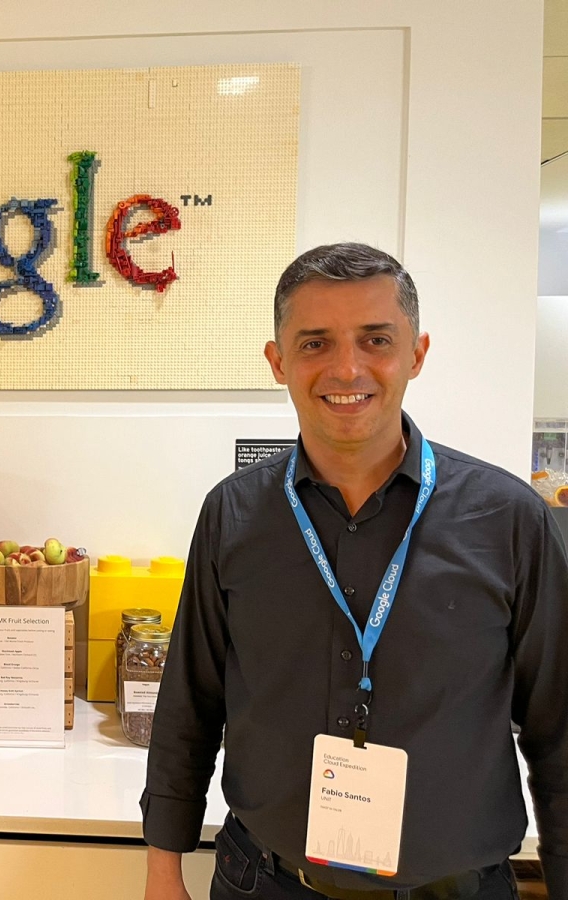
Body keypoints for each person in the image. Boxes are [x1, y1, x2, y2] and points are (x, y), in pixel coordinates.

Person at [142, 243, 568, 900]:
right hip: (265, 883)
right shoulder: (233, 513)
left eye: (376, 340)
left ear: (417, 354)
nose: (347, 368)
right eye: (315, 343)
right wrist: (162, 869)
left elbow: (559, 728)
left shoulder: (508, 519)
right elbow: (189, 705)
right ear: (278, 361)